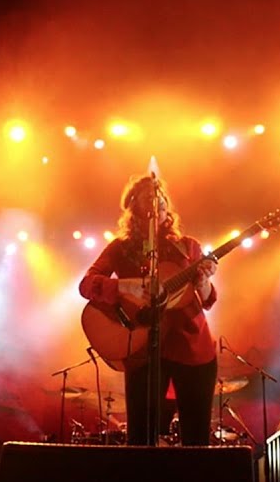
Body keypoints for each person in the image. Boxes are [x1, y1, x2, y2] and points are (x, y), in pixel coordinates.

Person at [79, 174, 219, 446]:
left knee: (196, 439)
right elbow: (86, 285)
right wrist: (125, 287)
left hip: (192, 346)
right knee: (140, 440)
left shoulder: (188, 246)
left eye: (161, 197)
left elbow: (208, 300)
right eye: (148, 197)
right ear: (134, 208)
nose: (158, 201)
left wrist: (203, 283)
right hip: (142, 349)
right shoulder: (120, 248)